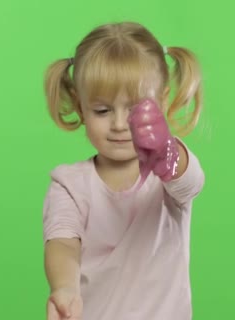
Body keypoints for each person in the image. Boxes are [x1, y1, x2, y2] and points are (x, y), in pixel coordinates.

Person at [42, 21, 206, 320]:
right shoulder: (69, 184)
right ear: (81, 108)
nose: (119, 124)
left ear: (163, 101)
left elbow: (190, 182)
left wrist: (165, 151)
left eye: (135, 110)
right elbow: (63, 242)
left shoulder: (168, 175)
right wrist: (65, 288)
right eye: (102, 110)